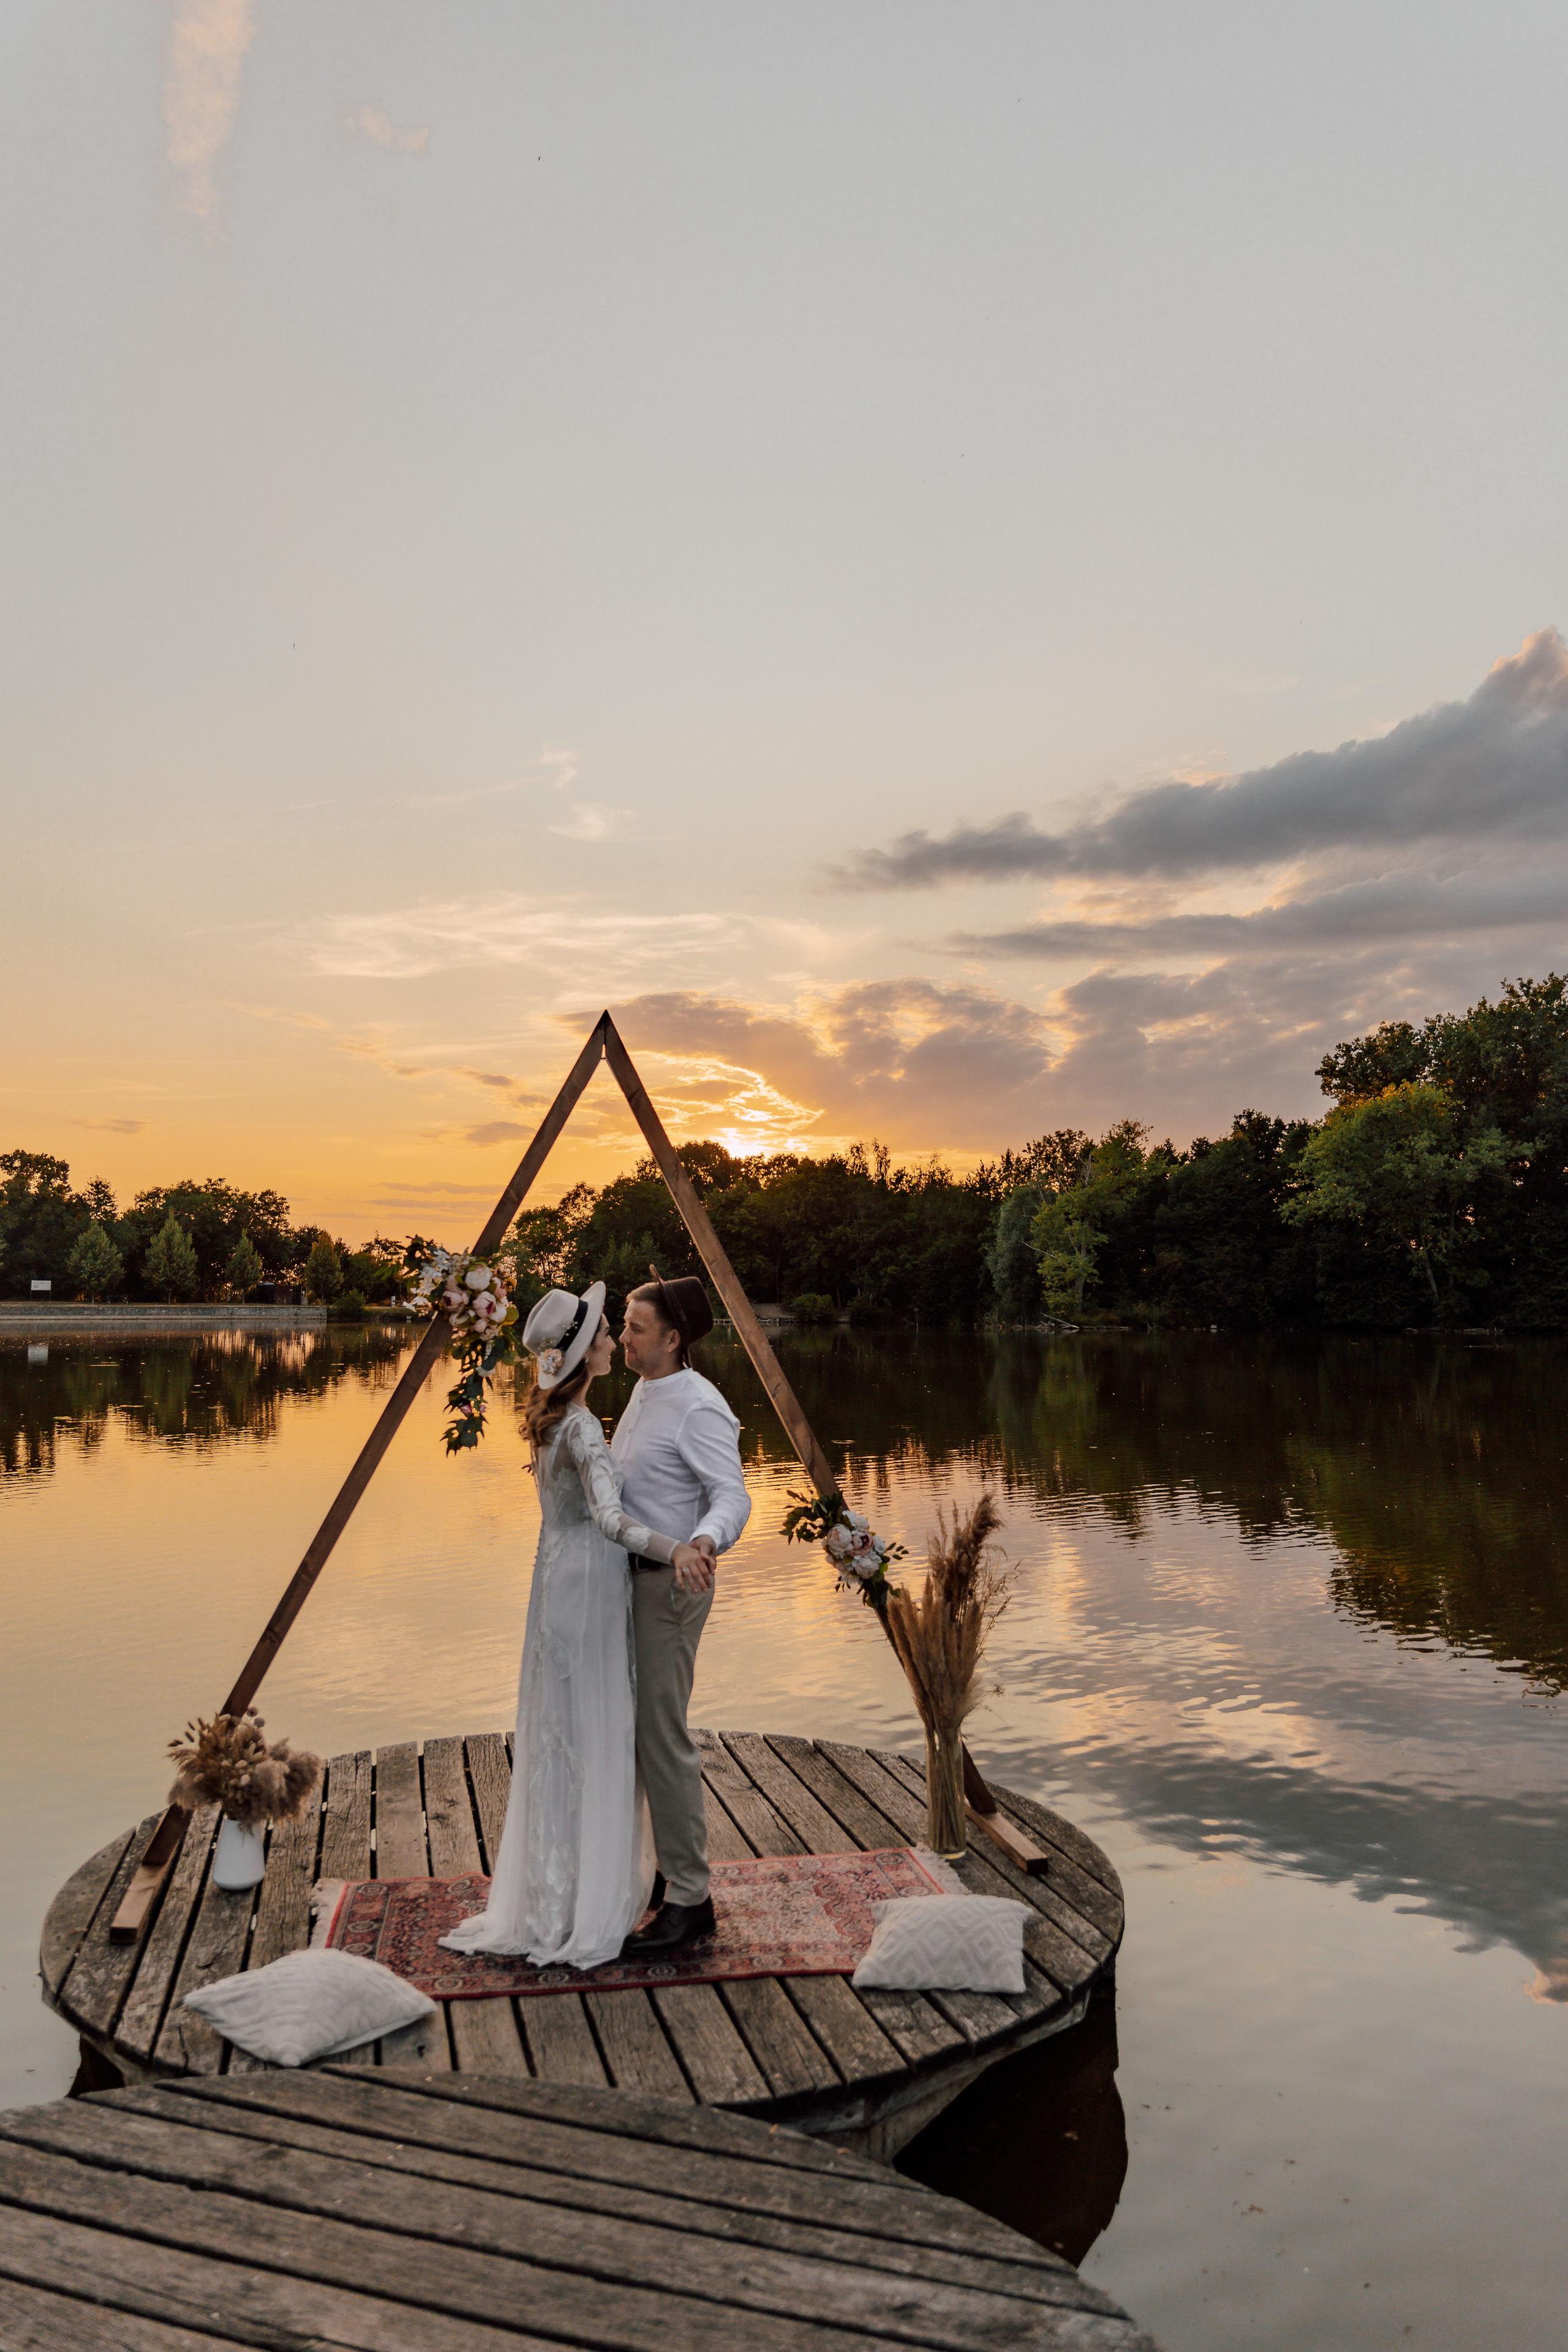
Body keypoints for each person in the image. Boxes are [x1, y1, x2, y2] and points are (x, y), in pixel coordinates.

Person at [439, 1282, 709, 1971]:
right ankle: (590, 1898)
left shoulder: (551, 1419)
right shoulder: (584, 1426)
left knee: (561, 1732)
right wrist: (676, 1547)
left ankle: (559, 1887)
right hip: (589, 1586)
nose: (615, 1341)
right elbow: (613, 1523)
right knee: (596, 1731)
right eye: (604, 1335)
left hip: (553, 1581)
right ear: (583, 1353)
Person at [614, 1269, 752, 1958]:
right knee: (640, 1735)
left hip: (672, 1585)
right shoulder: (646, 1389)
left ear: (672, 1338)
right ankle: (664, 1878)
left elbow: (732, 1495)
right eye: (624, 1324)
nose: (622, 1336)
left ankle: (691, 1901)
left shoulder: (697, 1405)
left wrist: (704, 1540)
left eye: (635, 1328)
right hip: (632, 1583)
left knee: (662, 1737)